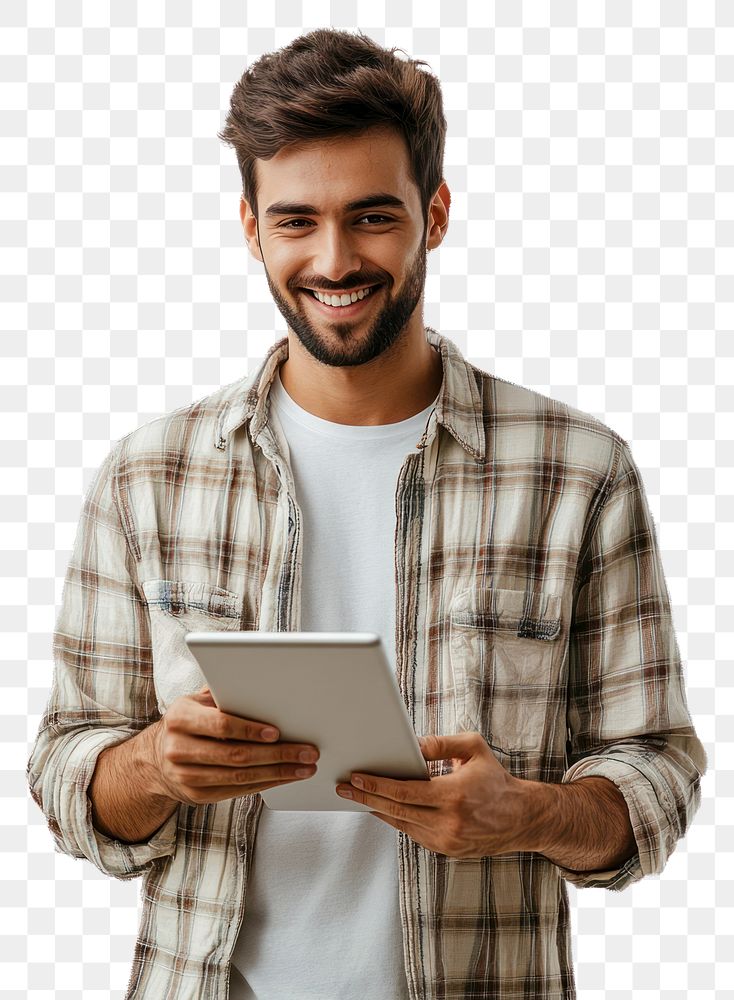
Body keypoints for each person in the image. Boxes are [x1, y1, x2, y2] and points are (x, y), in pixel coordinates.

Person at [27, 28, 706, 1000]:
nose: (333, 258)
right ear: (250, 228)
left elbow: (655, 770)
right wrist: (152, 766)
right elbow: (67, 768)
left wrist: (525, 812)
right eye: (295, 220)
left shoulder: (576, 471)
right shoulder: (148, 475)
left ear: (433, 215)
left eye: (371, 216)